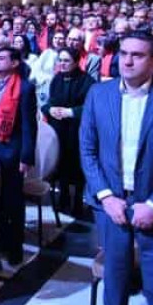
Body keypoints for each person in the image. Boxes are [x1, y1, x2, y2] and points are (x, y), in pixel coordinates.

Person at [80, 31, 153, 305]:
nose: (127, 61)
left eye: (137, 55)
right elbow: (88, 151)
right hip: (111, 205)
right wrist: (106, 197)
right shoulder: (98, 94)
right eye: (123, 53)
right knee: (114, 286)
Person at [0, 46, 37, 265]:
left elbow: (29, 126)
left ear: (14, 63)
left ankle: (15, 247)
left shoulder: (25, 88)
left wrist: (26, 157)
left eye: (2, 58)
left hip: (12, 150)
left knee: (12, 200)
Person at [41, 47, 94, 217]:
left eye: (66, 61)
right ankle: (63, 198)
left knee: (77, 168)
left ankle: (77, 202)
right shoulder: (57, 79)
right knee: (61, 164)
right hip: (59, 129)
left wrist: (70, 112)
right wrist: (50, 109)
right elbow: (49, 102)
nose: (62, 64)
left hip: (77, 130)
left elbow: (91, 107)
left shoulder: (87, 81)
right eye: (60, 60)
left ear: (76, 62)